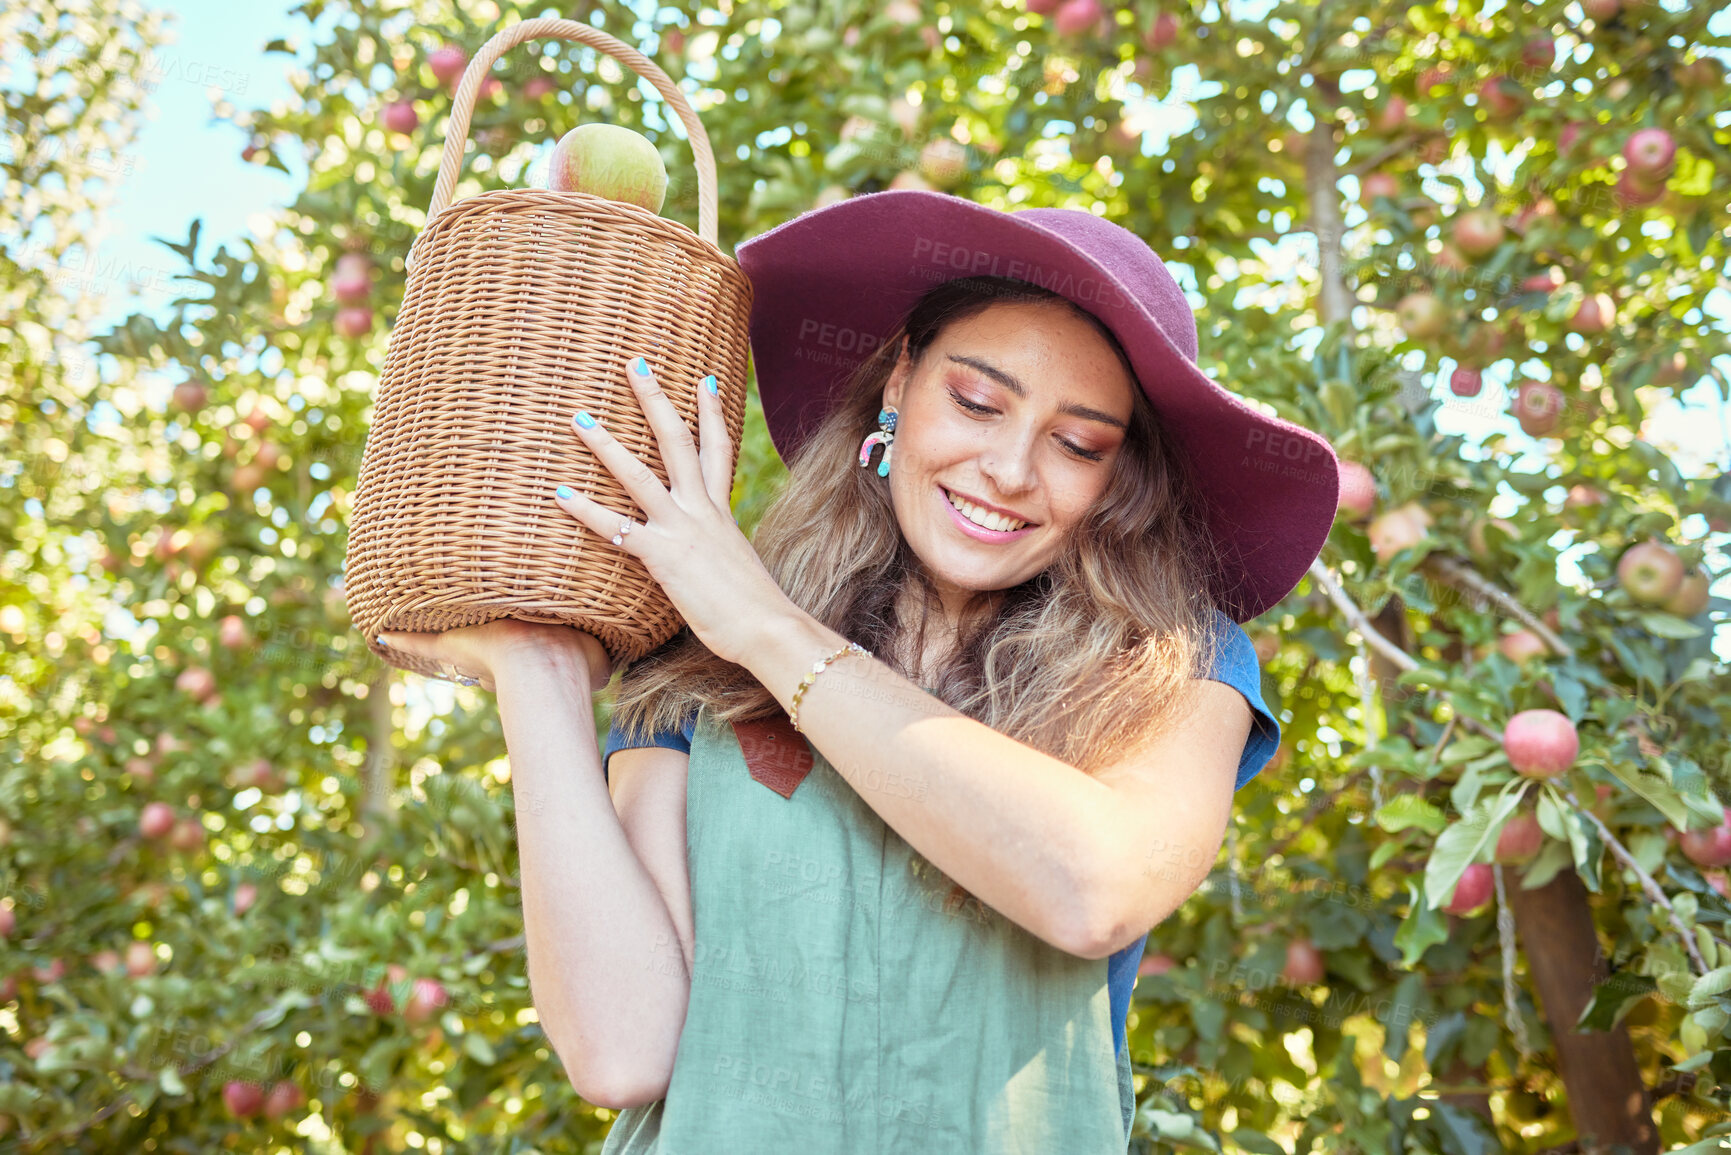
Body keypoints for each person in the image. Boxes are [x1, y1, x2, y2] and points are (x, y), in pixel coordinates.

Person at [373, 189, 1338, 1153]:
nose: (1007, 468)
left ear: (1116, 481)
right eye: (975, 400)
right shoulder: (697, 663)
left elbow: (1092, 889)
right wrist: (537, 671)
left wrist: (766, 628)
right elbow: (622, 1051)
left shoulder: (1178, 664)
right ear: (898, 382)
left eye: (1078, 443)